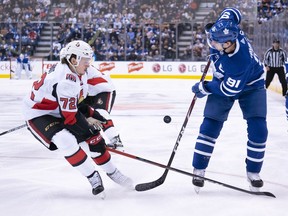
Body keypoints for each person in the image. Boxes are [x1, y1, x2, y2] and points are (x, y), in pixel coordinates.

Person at [22, 40, 133, 196]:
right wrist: (92, 134)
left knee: (91, 140)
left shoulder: (77, 72)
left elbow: (76, 105)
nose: (89, 64)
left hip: (59, 109)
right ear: (73, 59)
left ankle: (113, 172)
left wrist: (92, 116)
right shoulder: (66, 80)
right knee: (66, 140)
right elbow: (71, 118)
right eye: (85, 60)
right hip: (39, 114)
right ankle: (93, 177)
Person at [191, 8, 268, 192]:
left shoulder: (239, 61)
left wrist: (205, 87)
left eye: (214, 42)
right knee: (209, 125)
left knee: (259, 130)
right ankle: (199, 169)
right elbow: (232, 11)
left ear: (227, 44)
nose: (210, 42)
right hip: (225, 79)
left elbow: (227, 90)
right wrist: (217, 27)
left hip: (252, 85)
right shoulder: (226, 26)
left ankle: (253, 173)